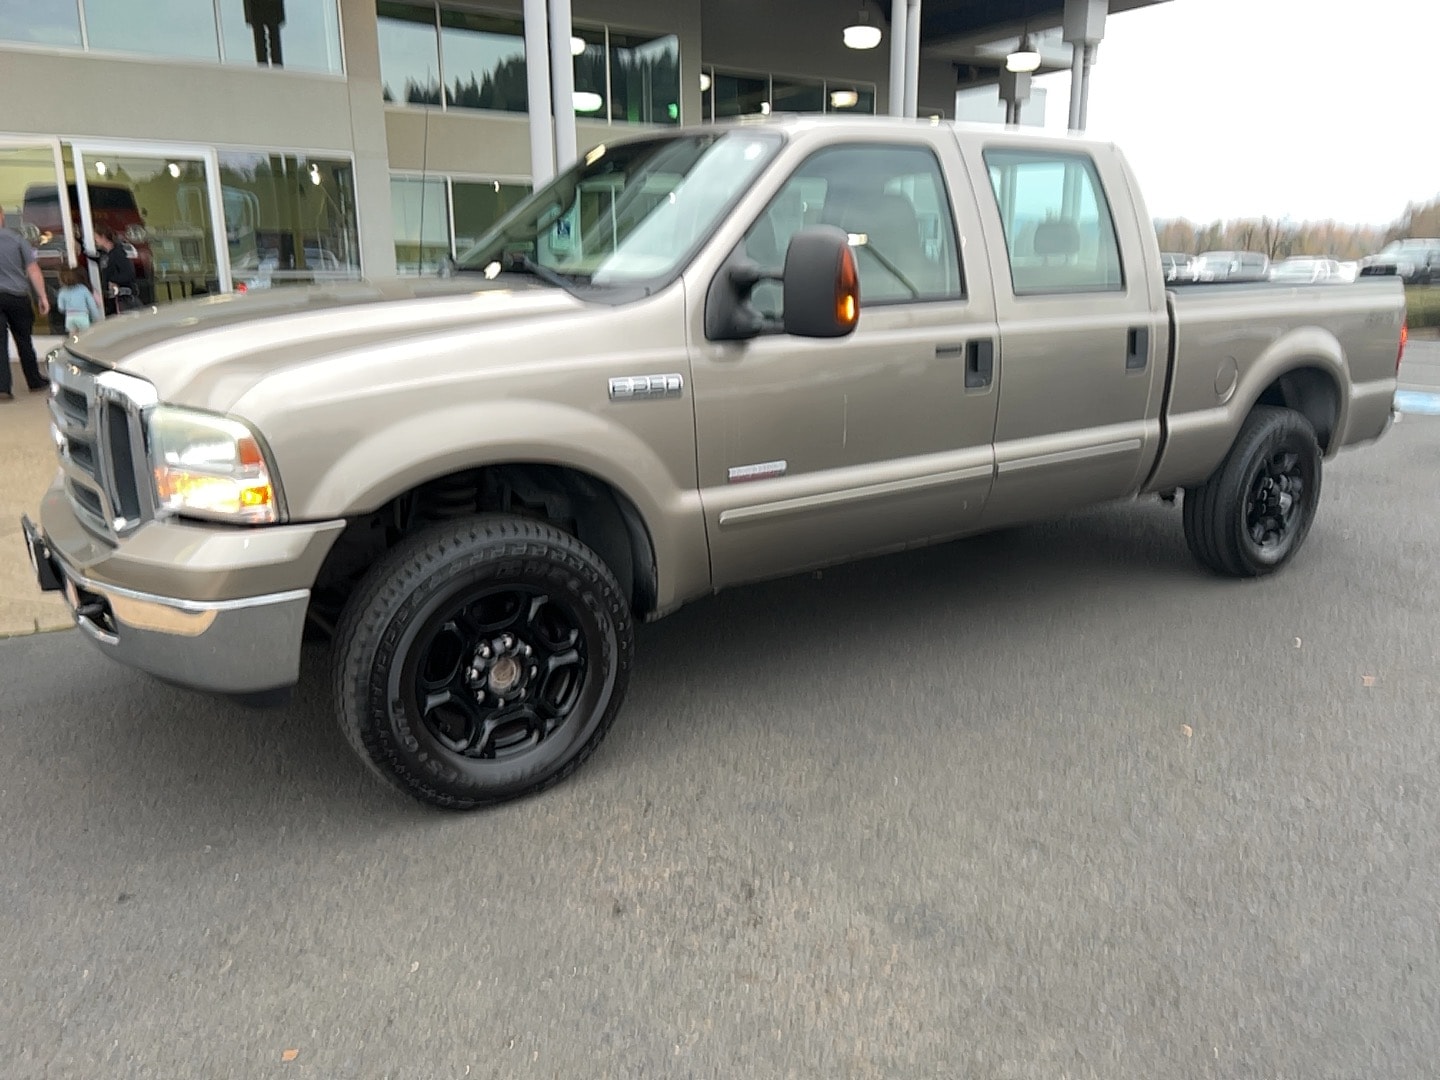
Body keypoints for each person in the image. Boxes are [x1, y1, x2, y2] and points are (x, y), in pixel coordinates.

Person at [0, 206, 50, 400]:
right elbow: (33, 269)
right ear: (2, 216)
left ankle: (3, 387)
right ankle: (34, 380)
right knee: (24, 339)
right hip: (17, 296)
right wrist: (42, 296)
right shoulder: (17, 239)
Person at [89, 230, 140, 315]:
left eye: (96, 237)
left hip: (123, 297)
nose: (94, 240)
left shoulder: (118, 253)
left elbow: (129, 274)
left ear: (103, 237)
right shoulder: (105, 254)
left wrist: (112, 280)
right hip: (114, 297)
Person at [54, 265, 102, 335]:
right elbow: (92, 305)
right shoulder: (83, 289)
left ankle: (75, 341)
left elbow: (61, 308)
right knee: (85, 335)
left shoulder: (62, 291)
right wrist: (97, 318)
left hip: (70, 318)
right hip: (82, 317)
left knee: (73, 337)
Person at [245, 0, 286, 66]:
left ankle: (270, 65)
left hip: (268, 9)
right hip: (262, 9)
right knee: (265, 36)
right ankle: (270, 65)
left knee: (268, 36)